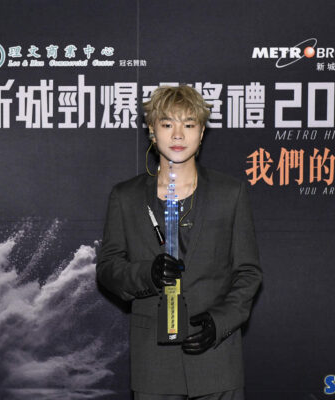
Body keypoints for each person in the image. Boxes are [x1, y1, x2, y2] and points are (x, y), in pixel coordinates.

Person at [96, 85, 262, 399]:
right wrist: (147, 273)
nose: (177, 134)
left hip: (217, 359)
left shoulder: (230, 193)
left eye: (188, 124)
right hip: (154, 364)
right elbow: (107, 268)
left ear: (201, 132)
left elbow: (248, 272)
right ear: (151, 129)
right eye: (167, 123)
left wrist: (220, 321)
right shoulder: (126, 196)